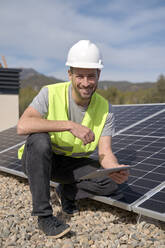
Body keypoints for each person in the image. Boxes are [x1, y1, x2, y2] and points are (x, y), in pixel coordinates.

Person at [17, 40, 129, 238]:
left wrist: (114, 168)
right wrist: (69, 125)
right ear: (70, 74)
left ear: (98, 75)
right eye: (80, 76)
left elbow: (105, 152)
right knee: (40, 139)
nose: (85, 83)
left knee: (112, 183)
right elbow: (23, 125)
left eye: (91, 76)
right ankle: (44, 216)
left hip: (69, 166)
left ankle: (66, 191)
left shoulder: (105, 108)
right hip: (39, 160)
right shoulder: (50, 93)